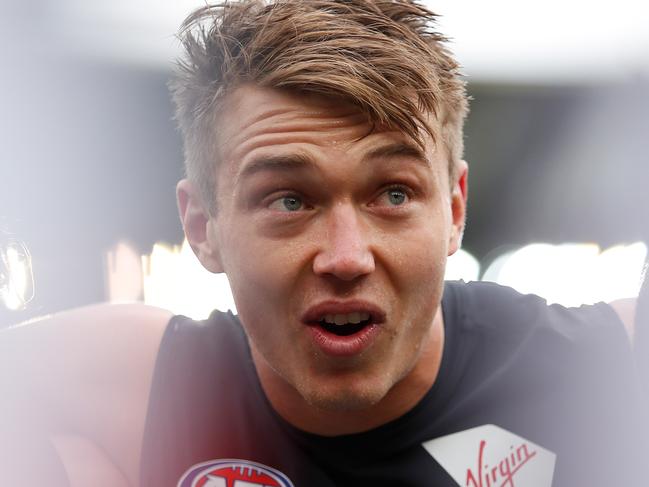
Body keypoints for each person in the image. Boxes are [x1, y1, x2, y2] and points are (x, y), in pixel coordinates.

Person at [0, 1, 645, 486]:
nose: (346, 257)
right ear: (203, 229)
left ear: (453, 209)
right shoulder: (127, 388)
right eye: (289, 200)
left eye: (393, 194)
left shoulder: (609, 372)